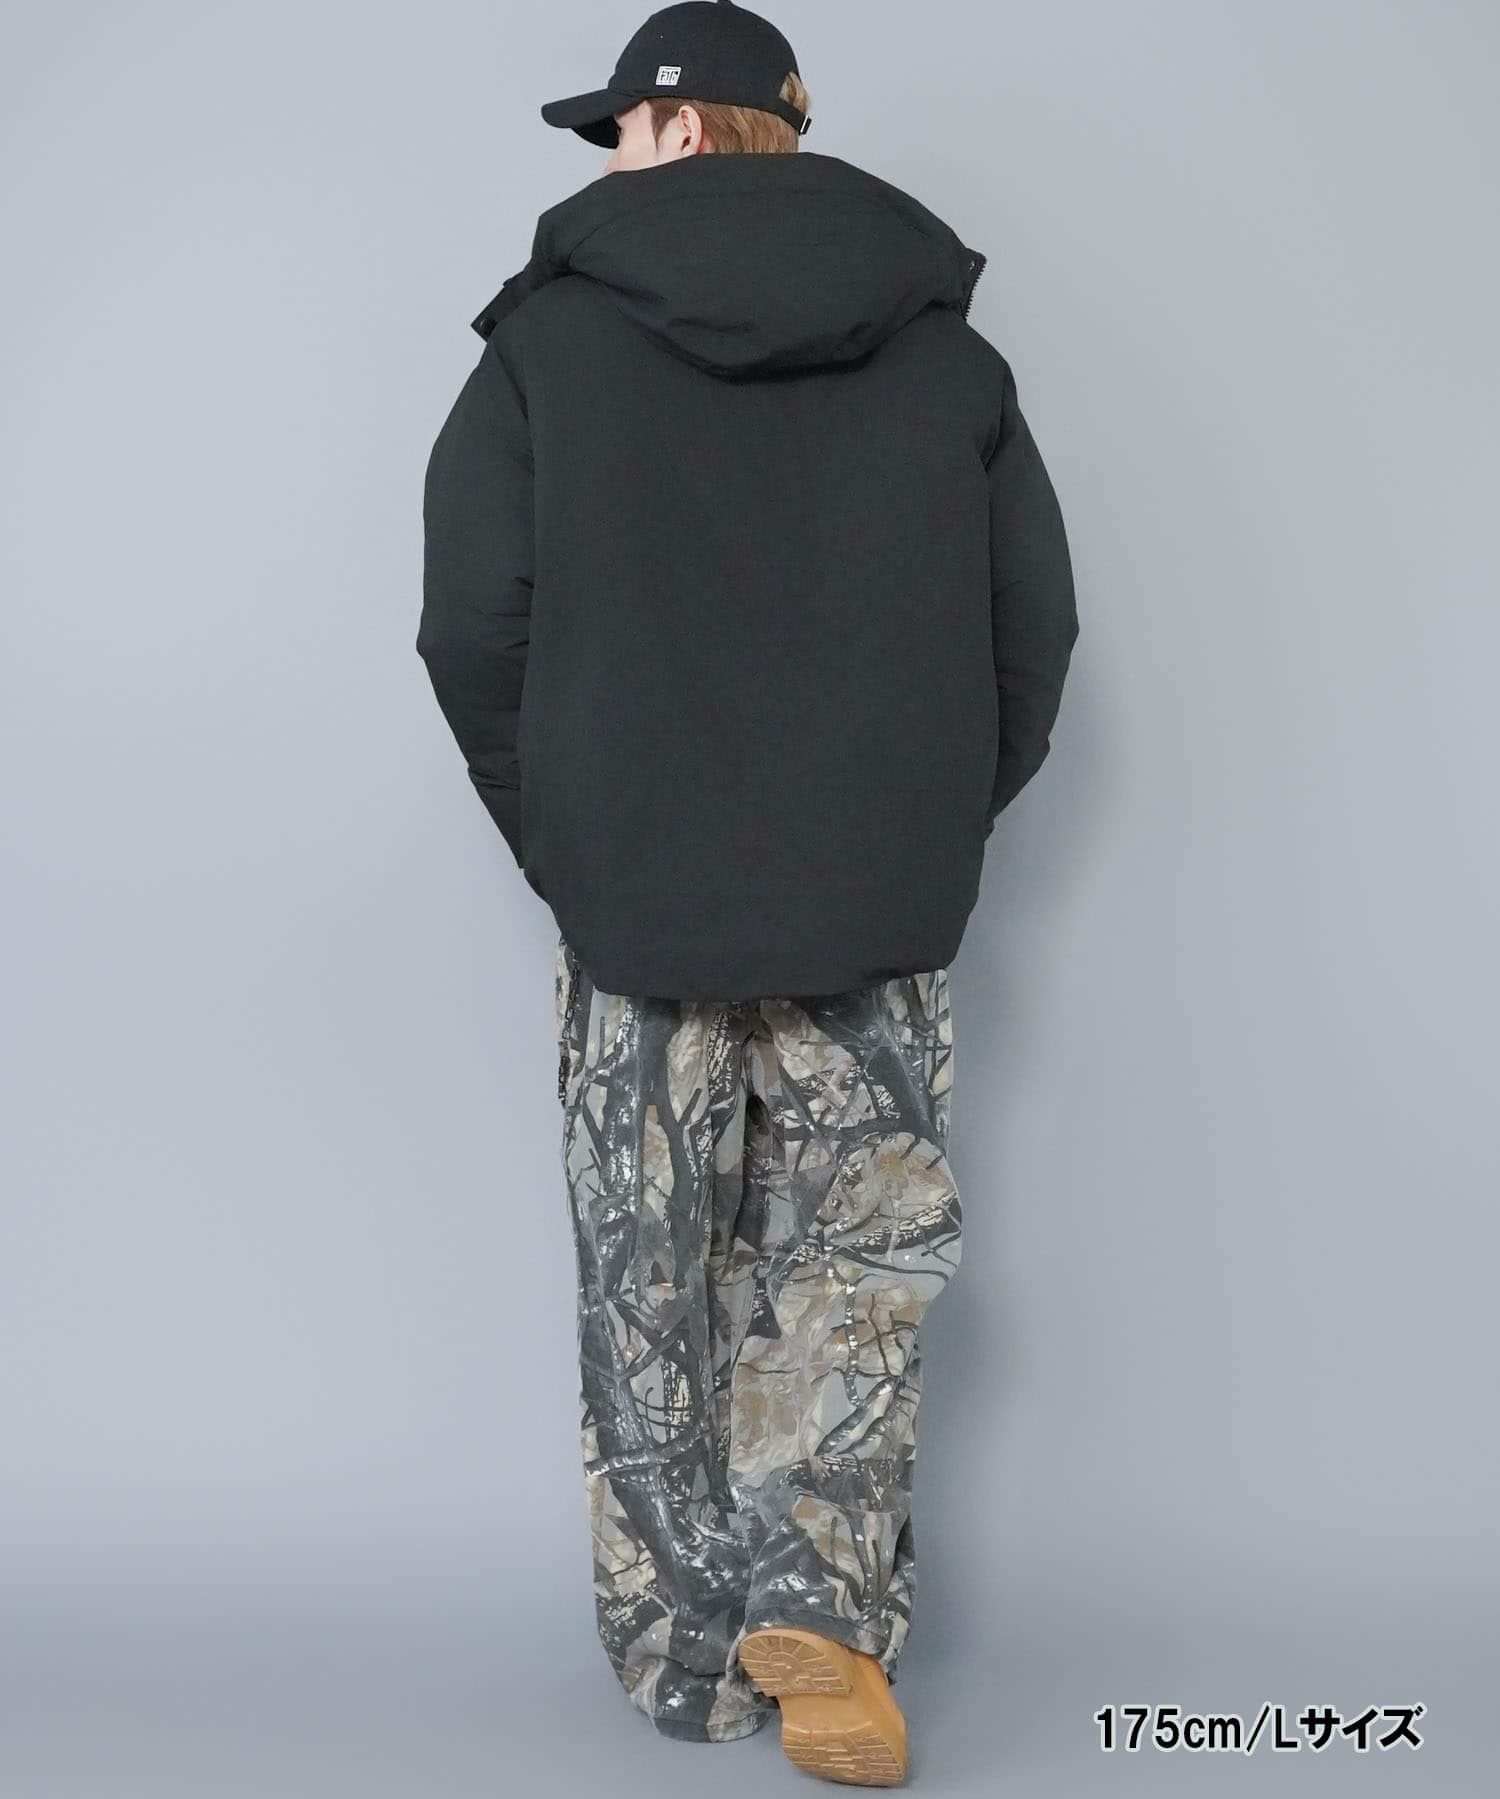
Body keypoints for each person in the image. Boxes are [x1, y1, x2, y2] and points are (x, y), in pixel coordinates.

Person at [417, 1, 1078, 1782]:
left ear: (686, 129)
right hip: (877, 896)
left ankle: (692, 1664)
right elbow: (1033, 634)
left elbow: (470, 625)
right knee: (851, 1261)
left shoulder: (545, 345)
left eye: (623, 131)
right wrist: (923, 823)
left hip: (634, 901)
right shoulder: (947, 356)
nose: (613, 163)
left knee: (654, 1273)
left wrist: (568, 835)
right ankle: (825, 1615)